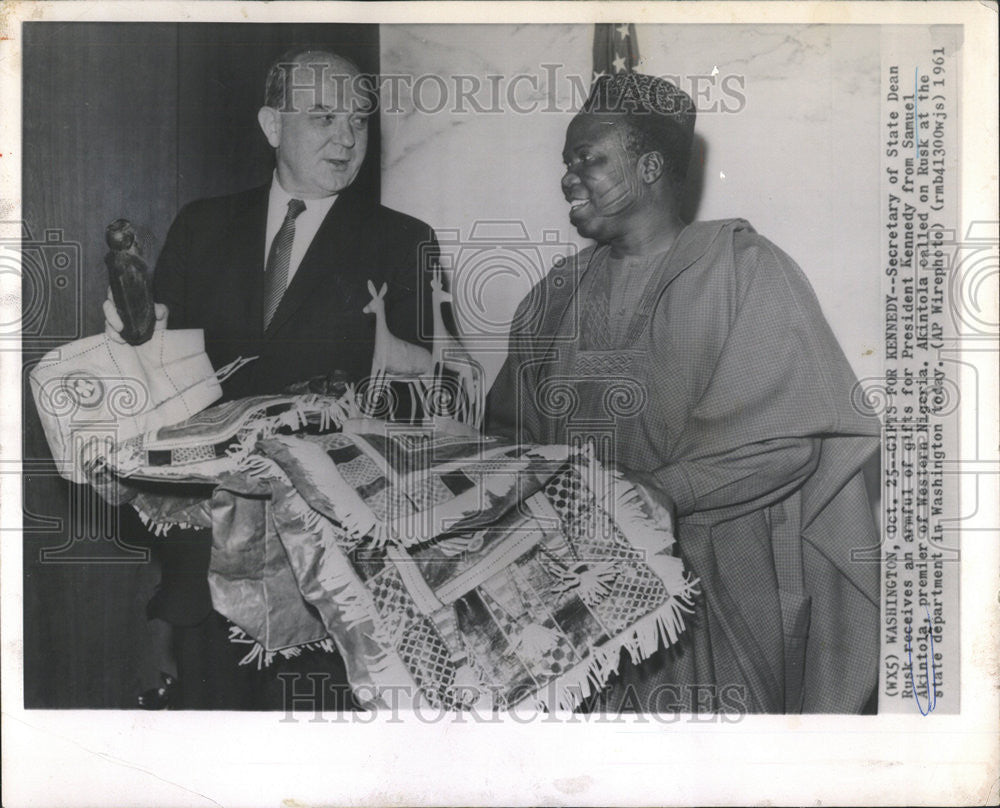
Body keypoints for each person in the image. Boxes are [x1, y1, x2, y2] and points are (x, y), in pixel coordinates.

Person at [486, 73, 881, 714]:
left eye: (588, 159)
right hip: (575, 618)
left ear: (648, 167)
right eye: (566, 162)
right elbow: (503, 444)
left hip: (716, 603)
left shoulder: (745, 269)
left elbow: (793, 444)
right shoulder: (550, 297)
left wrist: (663, 492)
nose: (567, 178)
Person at [105, 47, 438, 709]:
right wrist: (134, 344)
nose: (348, 137)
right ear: (271, 125)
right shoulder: (202, 225)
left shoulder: (403, 241)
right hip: (206, 564)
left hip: (333, 575)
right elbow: (163, 385)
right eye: (323, 117)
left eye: (360, 121)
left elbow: (420, 398)